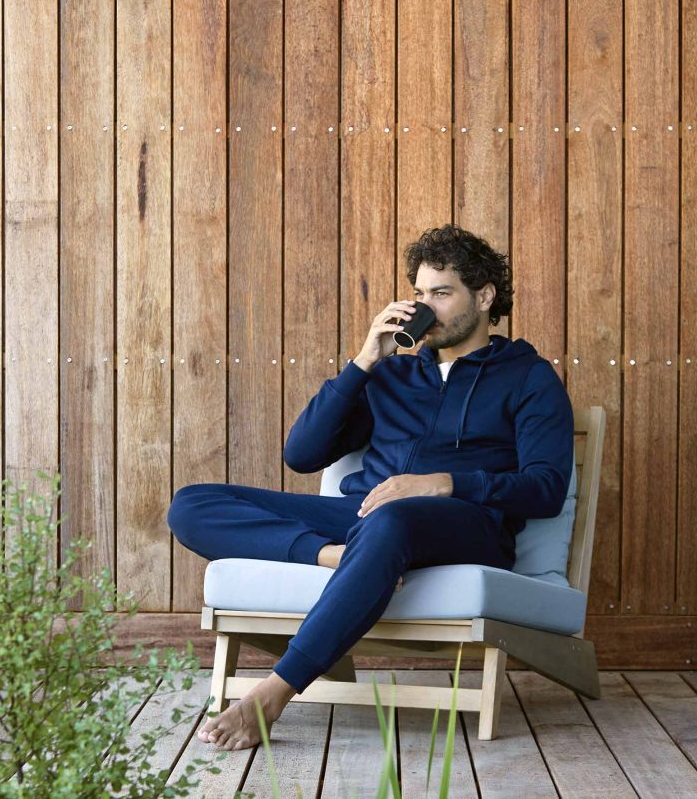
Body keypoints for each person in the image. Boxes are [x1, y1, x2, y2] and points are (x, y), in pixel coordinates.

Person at [166, 224, 574, 752]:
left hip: (467, 524)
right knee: (192, 503)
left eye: (441, 293)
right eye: (419, 293)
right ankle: (335, 556)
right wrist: (364, 361)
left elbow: (546, 488)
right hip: (364, 518)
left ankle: (274, 692)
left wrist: (445, 484)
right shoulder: (391, 377)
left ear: (484, 297)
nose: (425, 307)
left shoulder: (529, 377)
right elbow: (302, 455)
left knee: (391, 519)